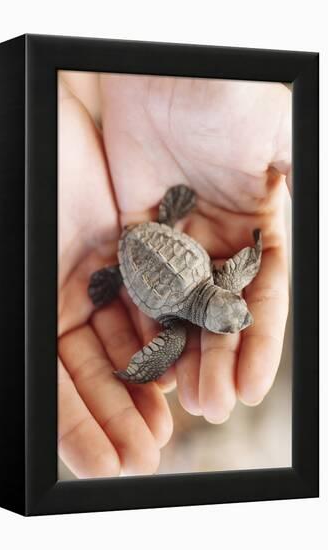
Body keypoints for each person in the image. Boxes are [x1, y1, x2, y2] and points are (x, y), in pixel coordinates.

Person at [57, 72, 291, 478]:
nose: (245, 313)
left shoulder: (199, 295)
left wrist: (254, 249)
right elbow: (241, 268)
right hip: (137, 252)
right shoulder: (181, 324)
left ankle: (161, 226)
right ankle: (119, 273)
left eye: (234, 312)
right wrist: (254, 248)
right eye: (240, 307)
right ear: (226, 291)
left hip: (158, 236)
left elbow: (239, 270)